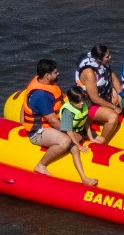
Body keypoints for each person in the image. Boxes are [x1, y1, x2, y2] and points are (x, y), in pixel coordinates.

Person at [19, 59, 95, 188]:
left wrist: (21, 121)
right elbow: (53, 122)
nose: (58, 73)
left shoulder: (41, 82)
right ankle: (41, 165)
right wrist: (71, 134)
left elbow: (24, 104)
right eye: (55, 72)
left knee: (76, 138)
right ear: (47, 75)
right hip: (39, 131)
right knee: (66, 141)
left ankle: (83, 176)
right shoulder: (42, 96)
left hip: (49, 126)